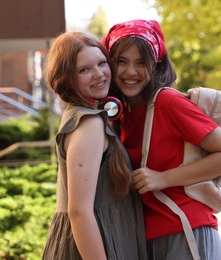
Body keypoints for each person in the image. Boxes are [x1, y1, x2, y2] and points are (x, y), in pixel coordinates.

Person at [102, 19, 221, 260]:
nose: (130, 72)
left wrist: (162, 178)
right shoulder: (122, 115)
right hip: (149, 236)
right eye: (121, 62)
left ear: (155, 65)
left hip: (185, 230)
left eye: (141, 63)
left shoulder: (168, 102)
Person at [42, 31, 147, 260]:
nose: (99, 75)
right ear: (67, 78)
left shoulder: (81, 115)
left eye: (102, 63)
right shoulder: (88, 123)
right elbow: (79, 212)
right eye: (84, 70)